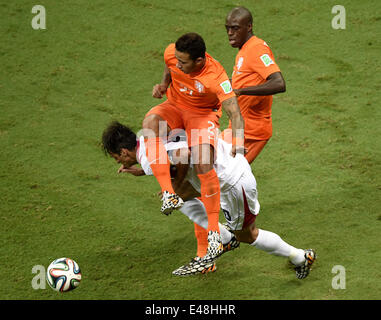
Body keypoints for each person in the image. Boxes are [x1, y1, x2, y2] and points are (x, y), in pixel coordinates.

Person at [101, 121, 316, 279]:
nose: (118, 161)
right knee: (180, 199)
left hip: (231, 183)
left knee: (248, 235)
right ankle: (223, 237)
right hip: (227, 170)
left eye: (116, 157)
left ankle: (299, 257)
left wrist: (174, 188)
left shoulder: (148, 158)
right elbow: (172, 156)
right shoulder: (150, 135)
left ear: (123, 151)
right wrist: (144, 174)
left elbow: (181, 155)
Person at [142, 32, 245, 264]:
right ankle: (169, 193)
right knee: (150, 124)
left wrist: (238, 142)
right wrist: (163, 84)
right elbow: (169, 68)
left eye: (183, 62)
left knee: (202, 161)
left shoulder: (216, 76)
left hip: (202, 116)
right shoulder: (172, 54)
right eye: (176, 59)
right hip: (175, 107)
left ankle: (214, 233)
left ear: (199, 61)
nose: (178, 63)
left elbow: (235, 113)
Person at [224, 6, 286, 163]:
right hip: (238, 127)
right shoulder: (244, 50)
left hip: (250, 131)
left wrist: (242, 91)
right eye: (228, 28)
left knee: (214, 176)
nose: (230, 33)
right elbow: (241, 81)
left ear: (249, 26)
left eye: (235, 28)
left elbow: (278, 83)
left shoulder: (256, 49)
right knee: (205, 173)